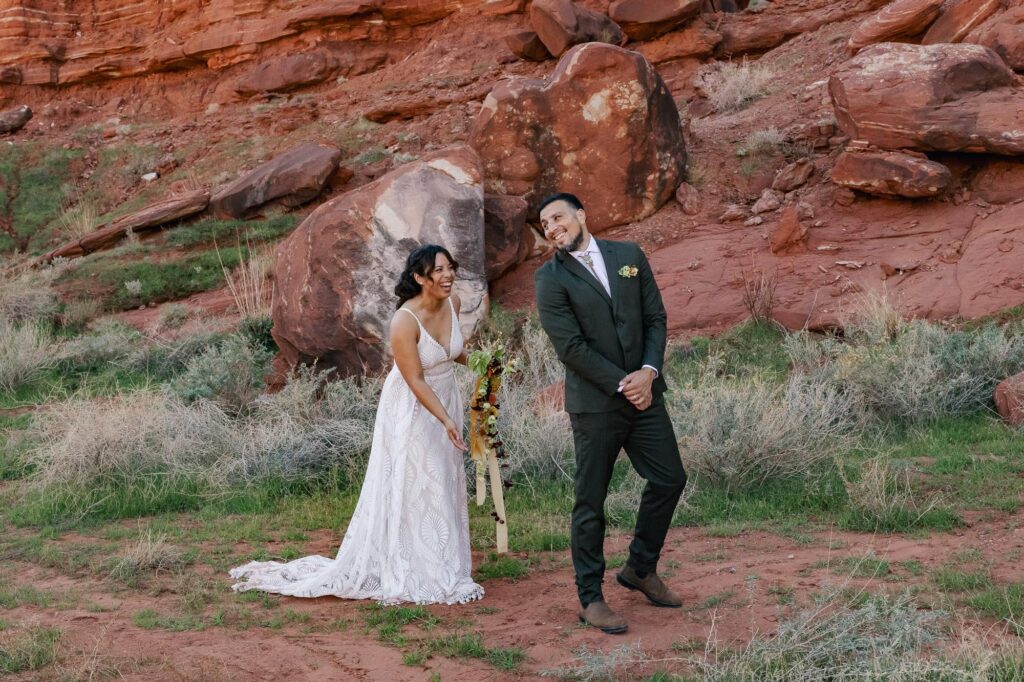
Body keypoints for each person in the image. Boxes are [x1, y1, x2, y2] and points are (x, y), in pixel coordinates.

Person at [230, 244, 484, 605]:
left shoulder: (453, 304)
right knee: (419, 479)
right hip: (413, 406)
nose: (447, 276)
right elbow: (415, 379)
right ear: (419, 278)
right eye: (437, 271)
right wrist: (444, 419)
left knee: (443, 475)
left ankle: (444, 560)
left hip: (445, 396)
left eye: (450, 268)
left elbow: (452, 351)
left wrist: (483, 365)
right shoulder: (404, 321)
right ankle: (417, 569)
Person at [534, 193, 686, 634]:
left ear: (581, 214)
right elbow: (571, 348)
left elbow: (655, 318)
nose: (552, 227)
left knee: (670, 477)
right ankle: (590, 598)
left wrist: (649, 373)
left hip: (646, 394)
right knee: (590, 500)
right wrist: (627, 383)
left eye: (558, 217)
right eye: (544, 224)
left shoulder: (629, 255)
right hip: (598, 404)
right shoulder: (550, 278)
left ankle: (640, 568)